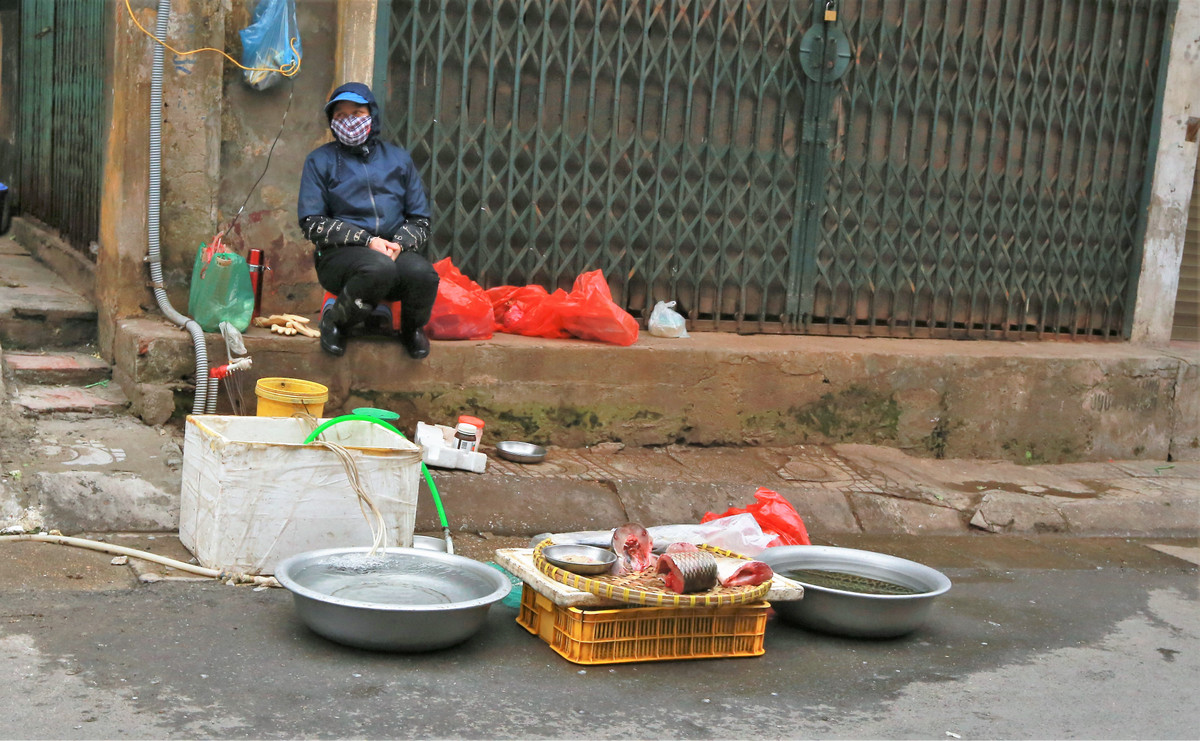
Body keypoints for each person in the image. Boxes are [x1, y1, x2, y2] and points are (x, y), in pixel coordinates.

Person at [297, 82, 439, 359]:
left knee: (423, 274)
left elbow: (421, 219)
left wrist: (399, 244)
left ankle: (410, 329)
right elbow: (312, 222)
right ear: (331, 121)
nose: (349, 121)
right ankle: (336, 322)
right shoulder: (320, 160)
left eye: (357, 113)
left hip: (391, 251)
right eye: (340, 115)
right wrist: (367, 240)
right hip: (340, 257)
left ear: (372, 115)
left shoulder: (398, 159)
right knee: (378, 268)